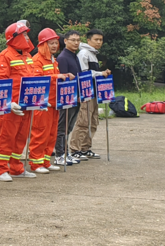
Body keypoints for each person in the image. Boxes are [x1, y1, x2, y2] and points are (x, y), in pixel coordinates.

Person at [0, 21, 38, 181]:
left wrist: (39, 99)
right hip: (12, 106)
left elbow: (32, 79)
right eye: (24, 34)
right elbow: (1, 82)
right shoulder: (5, 56)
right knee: (7, 137)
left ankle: (16, 168)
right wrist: (8, 102)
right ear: (15, 37)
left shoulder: (27, 56)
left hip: (26, 104)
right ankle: (1, 169)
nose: (27, 37)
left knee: (21, 138)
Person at [29, 29, 73, 173]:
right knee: (40, 133)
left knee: (51, 134)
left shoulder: (52, 60)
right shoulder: (37, 60)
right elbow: (36, 80)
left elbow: (55, 77)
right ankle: (36, 163)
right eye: (51, 43)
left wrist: (65, 75)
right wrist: (56, 77)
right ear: (43, 44)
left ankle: (46, 161)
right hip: (43, 104)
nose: (54, 46)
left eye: (55, 43)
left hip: (54, 103)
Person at [70, 30, 111, 159]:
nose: (99, 42)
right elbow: (84, 73)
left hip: (94, 92)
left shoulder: (93, 54)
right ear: (88, 40)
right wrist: (100, 73)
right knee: (83, 121)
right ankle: (75, 149)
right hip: (86, 92)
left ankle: (85, 147)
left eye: (101, 40)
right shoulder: (83, 53)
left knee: (93, 121)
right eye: (96, 39)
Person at [55, 31, 84, 167]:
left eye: (78, 40)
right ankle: (60, 154)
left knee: (69, 127)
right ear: (65, 41)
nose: (76, 43)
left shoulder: (74, 56)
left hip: (76, 97)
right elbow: (64, 81)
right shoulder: (63, 57)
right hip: (68, 98)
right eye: (73, 40)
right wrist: (73, 95)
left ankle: (66, 152)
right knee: (62, 127)